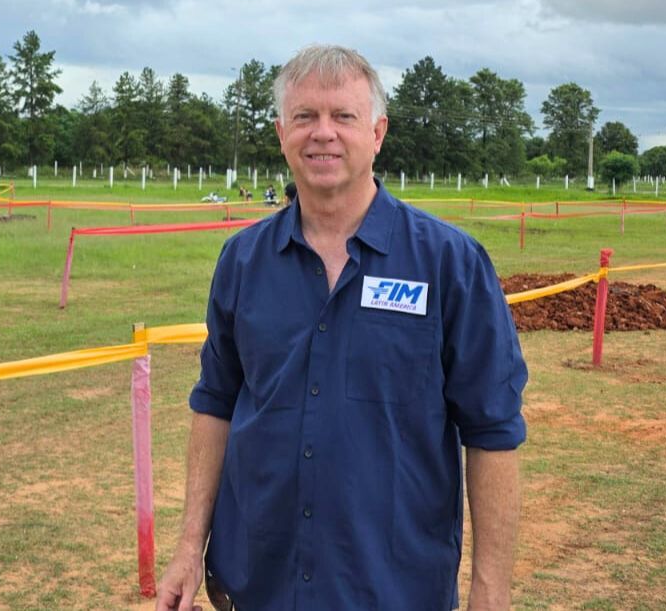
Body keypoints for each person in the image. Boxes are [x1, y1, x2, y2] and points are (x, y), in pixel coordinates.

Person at [156, 45, 526, 611]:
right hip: (256, 586)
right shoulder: (242, 262)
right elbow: (216, 404)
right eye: (305, 117)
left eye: (343, 117)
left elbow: (493, 432)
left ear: (377, 132)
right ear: (282, 133)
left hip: (393, 590)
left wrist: (491, 593)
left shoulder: (450, 264)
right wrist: (187, 546)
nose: (322, 133)